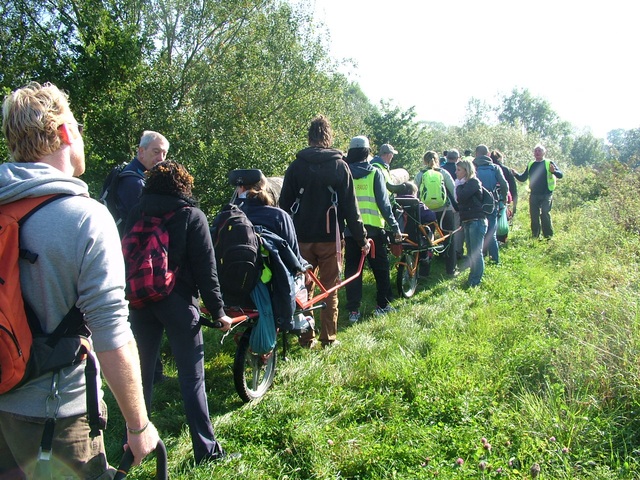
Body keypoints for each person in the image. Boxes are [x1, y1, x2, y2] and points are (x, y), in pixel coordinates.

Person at [0, 82, 159, 478]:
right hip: (58, 417)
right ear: (64, 133)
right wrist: (138, 426)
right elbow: (110, 331)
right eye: (78, 127)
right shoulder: (84, 217)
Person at [122, 160, 234, 464]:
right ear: (184, 185)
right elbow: (206, 270)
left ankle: (132, 445)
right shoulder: (190, 215)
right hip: (178, 303)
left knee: (139, 376)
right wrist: (219, 311)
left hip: (140, 301)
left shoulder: (136, 211)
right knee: (192, 378)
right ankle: (206, 451)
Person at [279, 115, 369, 348]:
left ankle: (305, 337)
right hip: (331, 239)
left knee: (303, 289)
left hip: (300, 240)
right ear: (329, 137)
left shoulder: (296, 166)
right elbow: (351, 208)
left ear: (309, 137)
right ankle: (328, 338)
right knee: (330, 289)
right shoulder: (340, 166)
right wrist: (362, 239)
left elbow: (283, 207)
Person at [114, 131, 170, 385]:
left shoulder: (138, 178)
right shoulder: (134, 183)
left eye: (165, 153)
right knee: (140, 312)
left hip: (130, 255)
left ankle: (150, 371)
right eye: (156, 151)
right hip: (130, 258)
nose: (161, 158)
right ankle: (146, 373)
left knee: (143, 312)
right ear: (140, 152)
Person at [344, 136, 402, 322]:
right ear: (367, 152)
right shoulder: (375, 173)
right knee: (381, 269)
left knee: (353, 271)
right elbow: (384, 206)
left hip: (351, 232)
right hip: (374, 233)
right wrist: (395, 227)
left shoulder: (344, 173)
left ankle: (353, 311)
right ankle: (382, 305)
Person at [415, 151, 458, 276]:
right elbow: (454, 190)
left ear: (424, 161)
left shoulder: (420, 175)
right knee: (449, 239)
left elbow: (414, 193)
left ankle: (424, 273)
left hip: (427, 212)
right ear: (437, 160)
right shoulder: (443, 173)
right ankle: (451, 270)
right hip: (445, 210)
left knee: (427, 240)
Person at [512, 144, 564, 238]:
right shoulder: (531, 164)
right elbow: (523, 178)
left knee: (545, 213)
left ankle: (548, 236)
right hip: (534, 194)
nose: (537, 153)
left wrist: (554, 172)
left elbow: (560, 175)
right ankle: (535, 236)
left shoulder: (549, 163)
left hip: (546, 194)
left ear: (544, 152)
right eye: (535, 151)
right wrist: (515, 174)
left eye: (539, 151)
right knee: (534, 216)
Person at [455, 158, 488, 287]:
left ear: (466, 171)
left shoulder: (473, 182)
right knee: (470, 252)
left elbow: (461, 197)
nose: (456, 173)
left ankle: (475, 280)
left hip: (477, 221)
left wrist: (458, 185)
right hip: (468, 221)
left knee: (476, 252)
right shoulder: (465, 184)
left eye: (459, 170)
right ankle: (472, 277)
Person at [473, 145, 509, 263]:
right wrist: (503, 199)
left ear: (476, 154)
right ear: (488, 154)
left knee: (478, 232)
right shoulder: (495, 168)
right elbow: (504, 185)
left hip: (476, 204)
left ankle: (479, 258)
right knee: (491, 232)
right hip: (492, 203)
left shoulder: (473, 167)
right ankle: (495, 259)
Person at [490, 149, 518, 243]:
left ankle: (492, 240)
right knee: (503, 217)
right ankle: (502, 239)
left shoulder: (489, 169)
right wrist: (514, 204)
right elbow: (513, 187)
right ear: (500, 158)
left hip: (490, 199)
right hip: (504, 198)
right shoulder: (506, 170)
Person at [441, 149, 463, 259]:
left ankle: (443, 251)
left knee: (444, 229)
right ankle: (456, 252)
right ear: (457, 157)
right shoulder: (459, 169)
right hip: (455, 204)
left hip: (442, 204)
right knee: (456, 229)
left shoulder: (441, 169)